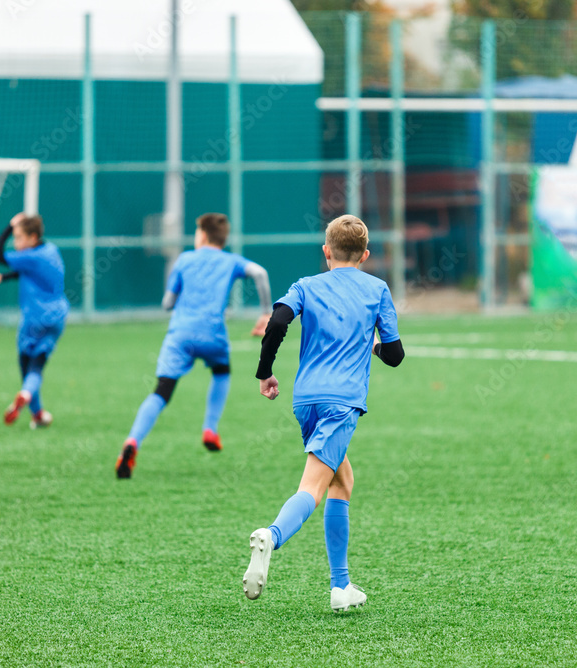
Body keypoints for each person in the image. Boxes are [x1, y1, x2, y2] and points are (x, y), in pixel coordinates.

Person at [243, 214, 404, 612]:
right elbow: (396, 355)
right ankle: (271, 535)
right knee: (313, 487)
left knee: (342, 480)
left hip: (306, 401)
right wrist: (374, 348)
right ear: (365, 254)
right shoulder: (377, 288)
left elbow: (277, 321)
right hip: (342, 402)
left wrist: (265, 372)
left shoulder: (306, 285)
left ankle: (341, 587)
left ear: (326, 251)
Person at [115, 213, 272, 479]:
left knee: (161, 391)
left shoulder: (185, 260)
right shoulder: (230, 261)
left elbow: (167, 303)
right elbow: (260, 272)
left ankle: (132, 442)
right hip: (213, 333)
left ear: (201, 235)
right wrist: (266, 312)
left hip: (181, 335)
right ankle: (210, 428)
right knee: (221, 371)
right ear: (222, 238)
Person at [0, 212, 69, 429]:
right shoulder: (50, 250)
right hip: (57, 317)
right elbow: (30, 272)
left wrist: (9, 226)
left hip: (34, 319)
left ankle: (29, 397)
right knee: (38, 364)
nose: (16, 242)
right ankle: (36, 411)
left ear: (32, 238)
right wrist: (3, 277)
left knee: (27, 365)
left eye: (19, 237)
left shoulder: (29, 257)